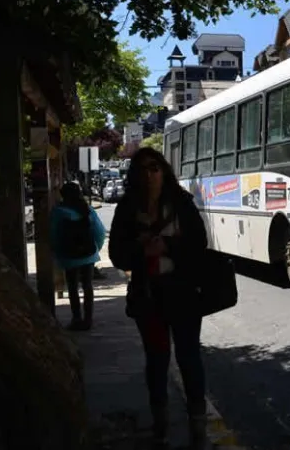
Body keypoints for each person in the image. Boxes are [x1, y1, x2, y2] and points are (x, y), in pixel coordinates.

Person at [108, 147, 209, 449]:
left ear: (164, 171)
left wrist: (166, 247)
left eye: (154, 167)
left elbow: (199, 246)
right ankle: (160, 423)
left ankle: (198, 423)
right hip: (148, 297)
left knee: (189, 357)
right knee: (157, 360)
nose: (149, 174)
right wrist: (141, 251)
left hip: (183, 296)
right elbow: (116, 255)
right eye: (142, 169)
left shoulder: (181, 204)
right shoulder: (126, 209)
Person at [48, 181, 107, 331]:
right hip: (88, 255)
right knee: (87, 286)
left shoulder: (58, 212)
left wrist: (57, 251)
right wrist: (95, 250)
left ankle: (76, 318)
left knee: (72, 287)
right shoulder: (86, 209)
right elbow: (100, 232)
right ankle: (88, 319)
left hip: (69, 256)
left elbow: (54, 235)